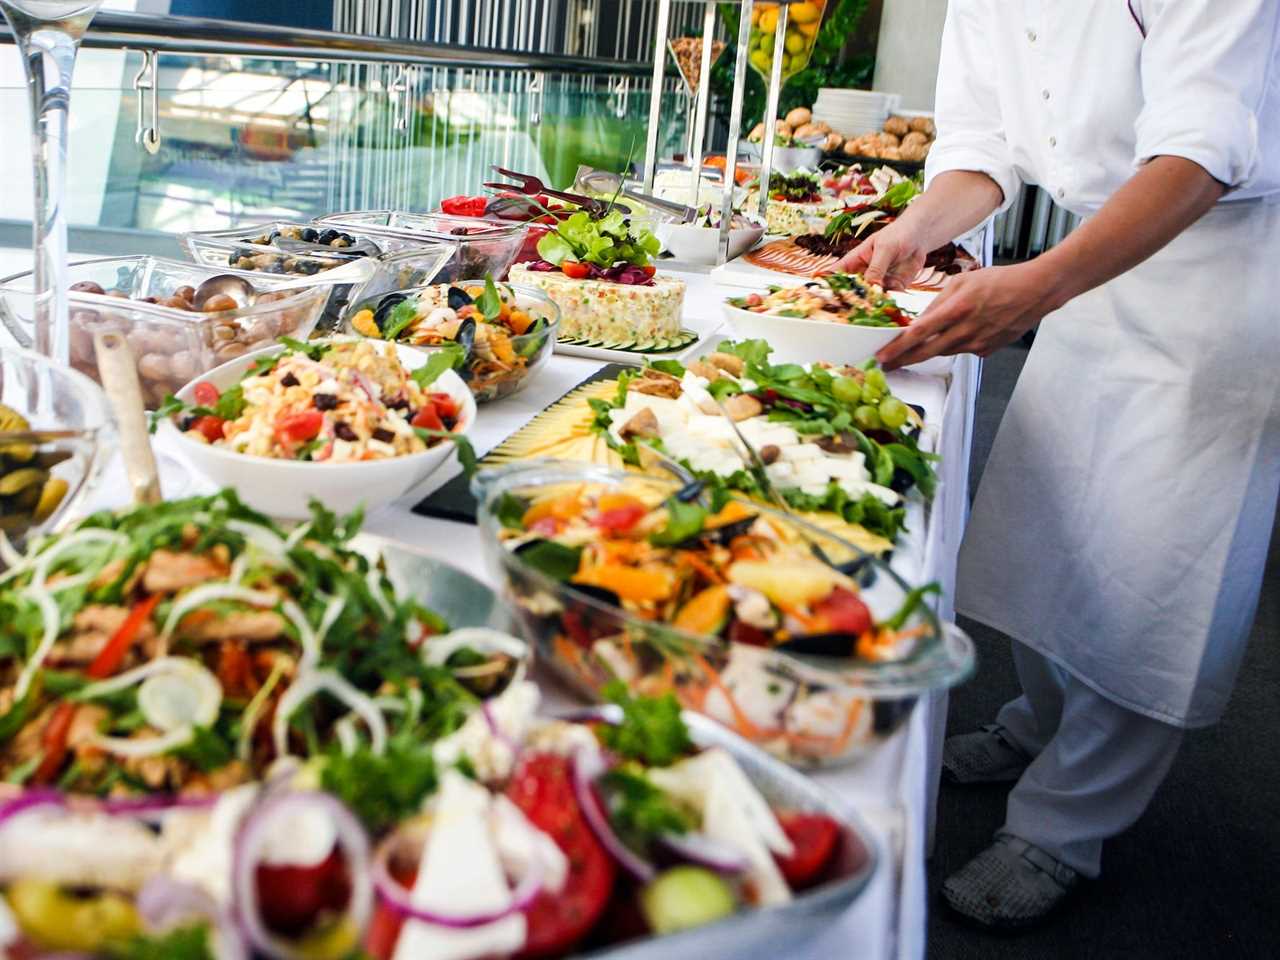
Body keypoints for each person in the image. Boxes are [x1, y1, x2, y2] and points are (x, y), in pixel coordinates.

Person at [839, 0, 1280, 930]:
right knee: (1052, 523)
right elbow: (982, 143)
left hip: (1224, 271)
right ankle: (1036, 725)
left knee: (1156, 569)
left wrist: (1040, 286)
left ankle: (1065, 827)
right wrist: (918, 228)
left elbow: (1200, 151)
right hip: (1091, 262)